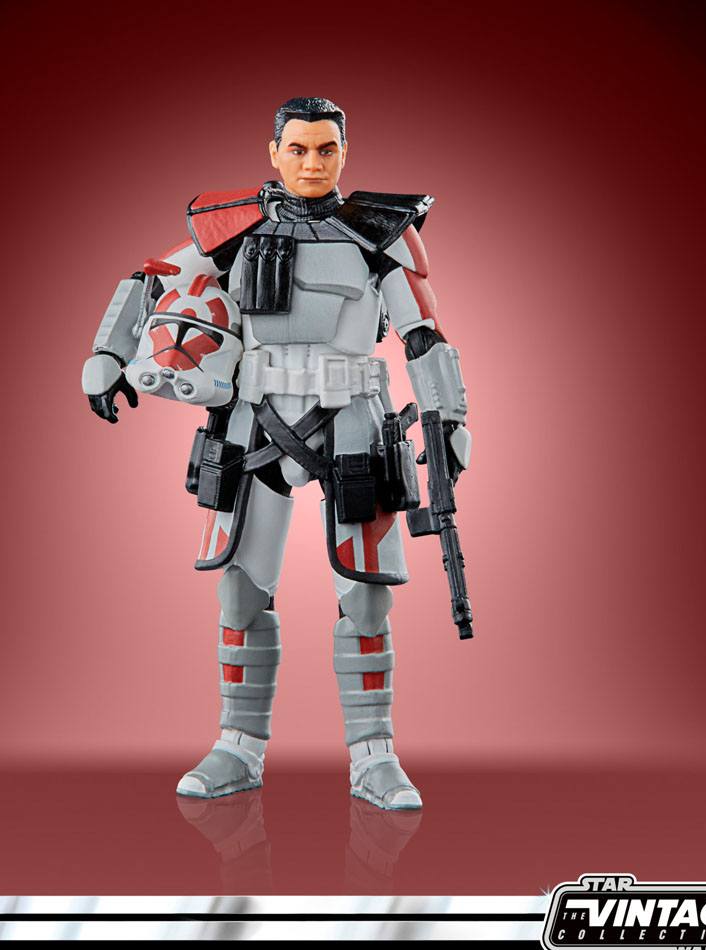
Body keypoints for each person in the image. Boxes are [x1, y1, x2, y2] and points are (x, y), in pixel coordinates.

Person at [82, 97, 470, 809]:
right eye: (298, 148)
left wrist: (449, 418)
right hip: (252, 420)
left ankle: (374, 755)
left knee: (366, 596)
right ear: (274, 153)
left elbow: (425, 333)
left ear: (344, 152)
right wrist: (109, 353)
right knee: (239, 588)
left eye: (326, 149)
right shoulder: (232, 227)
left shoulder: (380, 233)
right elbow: (150, 278)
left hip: (352, 420)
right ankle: (238, 745)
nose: (312, 163)